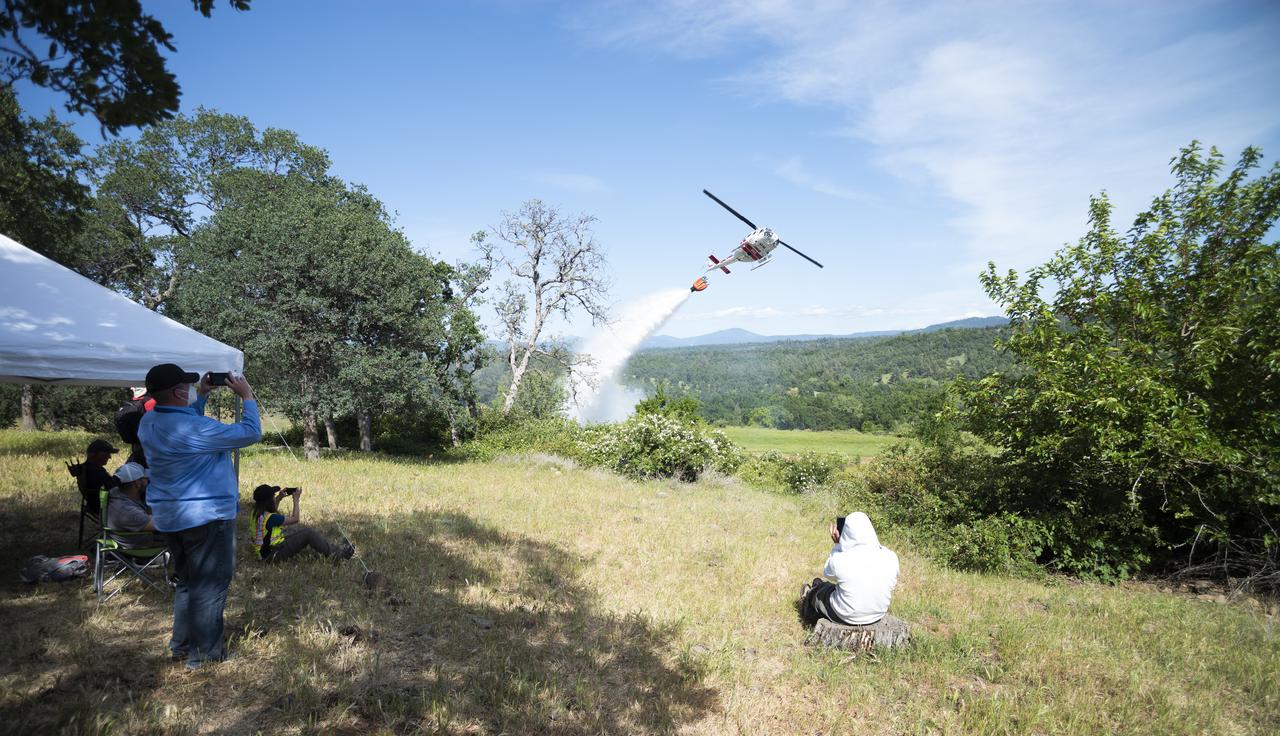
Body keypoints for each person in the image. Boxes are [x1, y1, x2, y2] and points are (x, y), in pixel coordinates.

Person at [137, 364, 261, 670]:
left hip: (170, 516)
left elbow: (186, 418)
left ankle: (180, 646)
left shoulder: (148, 422)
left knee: (188, 583)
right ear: (179, 391)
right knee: (210, 585)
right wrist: (247, 397)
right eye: (188, 387)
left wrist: (202, 397)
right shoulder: (197, 430)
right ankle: (204, 656)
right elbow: (250, 432)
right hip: (206, 517)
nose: (192, 389)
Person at [801, 511, 899, 626]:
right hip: (877, 615)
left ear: (846, 532)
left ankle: (810, 595)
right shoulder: (891, 556)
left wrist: (838, 545)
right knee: (834, 587)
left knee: (820, 590)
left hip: (844, 615)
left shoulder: (841, 558)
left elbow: (827, 573)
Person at [250, 485, 354, 562]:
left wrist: (279, 498)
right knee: (308, 534)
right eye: (274, 496)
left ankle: (336, 549)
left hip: (266, 553)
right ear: (268, 501)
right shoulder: (271, 518)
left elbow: (271, 513)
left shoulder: (256, 514)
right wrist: (296, 499)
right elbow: (295, 519)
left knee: (303, 533)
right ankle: (338, 556)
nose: (275, 497)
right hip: (273, 555)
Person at [105, 462, 166, 548]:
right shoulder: (127, 510)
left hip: (137, 537)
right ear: (137, 483)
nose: (148, 480)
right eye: (145, 479)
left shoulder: (118, 493)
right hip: (141, 546)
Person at [67, 439, 121, 515]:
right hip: (109, 508)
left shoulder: (85, 468)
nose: (109, 457)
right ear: (93, 454)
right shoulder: (96, 472)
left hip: (96, 506)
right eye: (106, 453)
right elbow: (114, 490)